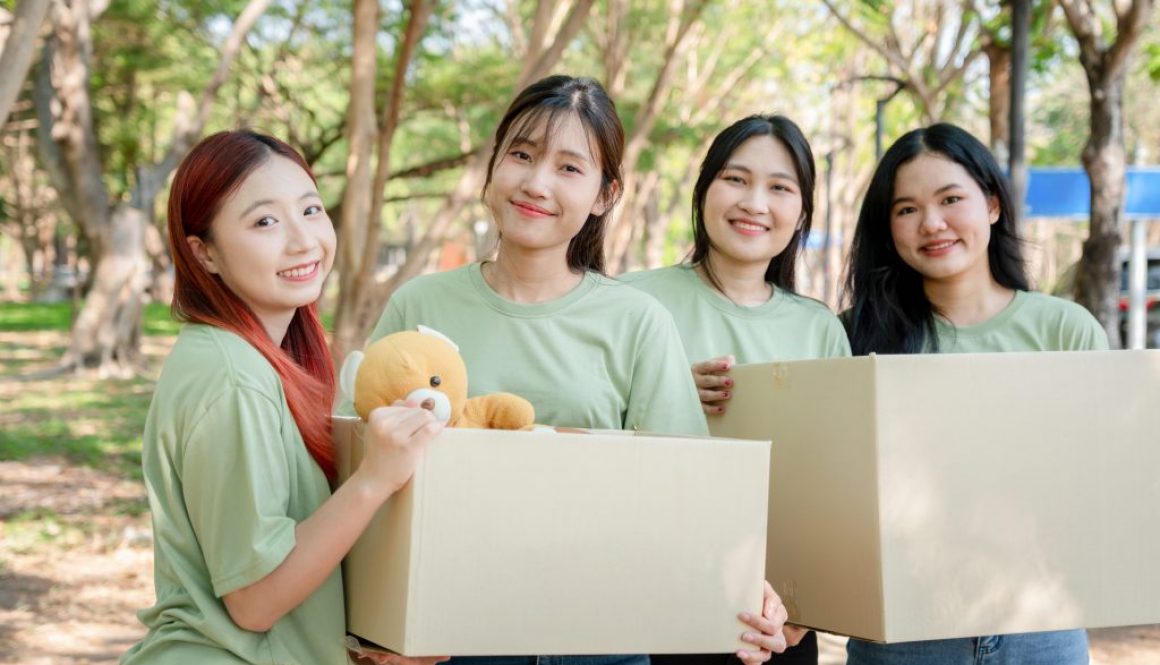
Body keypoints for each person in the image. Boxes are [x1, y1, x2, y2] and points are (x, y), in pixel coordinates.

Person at [361, 75, 799, 665]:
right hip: (448, 641)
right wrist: (374, 632)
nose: (537, 183)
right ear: (494, 166)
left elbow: (686, 491)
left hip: (603, 642)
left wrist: (750, 594)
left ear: (604, 195)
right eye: (522, 155)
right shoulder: (418, 306)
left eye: (569, 167)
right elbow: (363, 471)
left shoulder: (637, 320)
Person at [123, 130, 444, 665]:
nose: (303, 241)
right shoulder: (233, 378)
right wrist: (374, 478)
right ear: (204, 253)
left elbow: (292, 555)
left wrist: (361, 649)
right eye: (265, 222)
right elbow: (254, 602)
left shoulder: (258, 360)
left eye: (311, 210)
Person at [841, 122, 1104, 664]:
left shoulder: (1065, 330)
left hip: (1041, 629)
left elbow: (1099, 478)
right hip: (901, 638)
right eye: (907, 209)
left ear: (992, 204)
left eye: (950, 199)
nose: (931, 223)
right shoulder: (850, 337)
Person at [622, 114, 846, 665]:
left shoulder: (819, 327)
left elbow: (840, 488)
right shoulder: (631, 302)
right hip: (647, 605)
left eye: (780, 188)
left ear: (801, 213)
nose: (755, 203)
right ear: (703, 192)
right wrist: (666, 393)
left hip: (777, 622)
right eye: (735, 179)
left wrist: (804, 610)